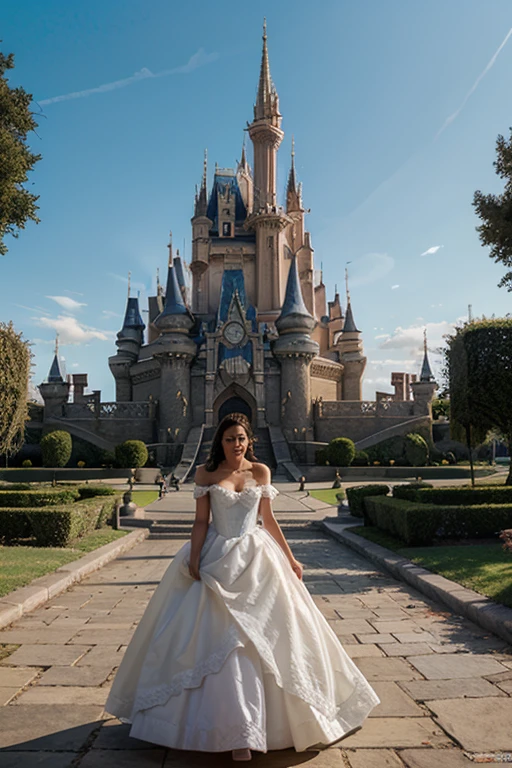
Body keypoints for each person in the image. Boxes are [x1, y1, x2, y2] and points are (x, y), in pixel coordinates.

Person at [105, 413, 379, 761]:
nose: (236, 444)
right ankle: (222, 729)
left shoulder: (260, 472)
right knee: (213, 637)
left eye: (241, 438)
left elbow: (269, 519)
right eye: (230, 438)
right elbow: (201, 522)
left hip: (256, 559)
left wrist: (291, 559)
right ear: (219, 442)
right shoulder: (206, 474)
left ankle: (267, 727)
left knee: (271, 634)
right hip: (216, 556)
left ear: (250, 441)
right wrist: (194, 560)